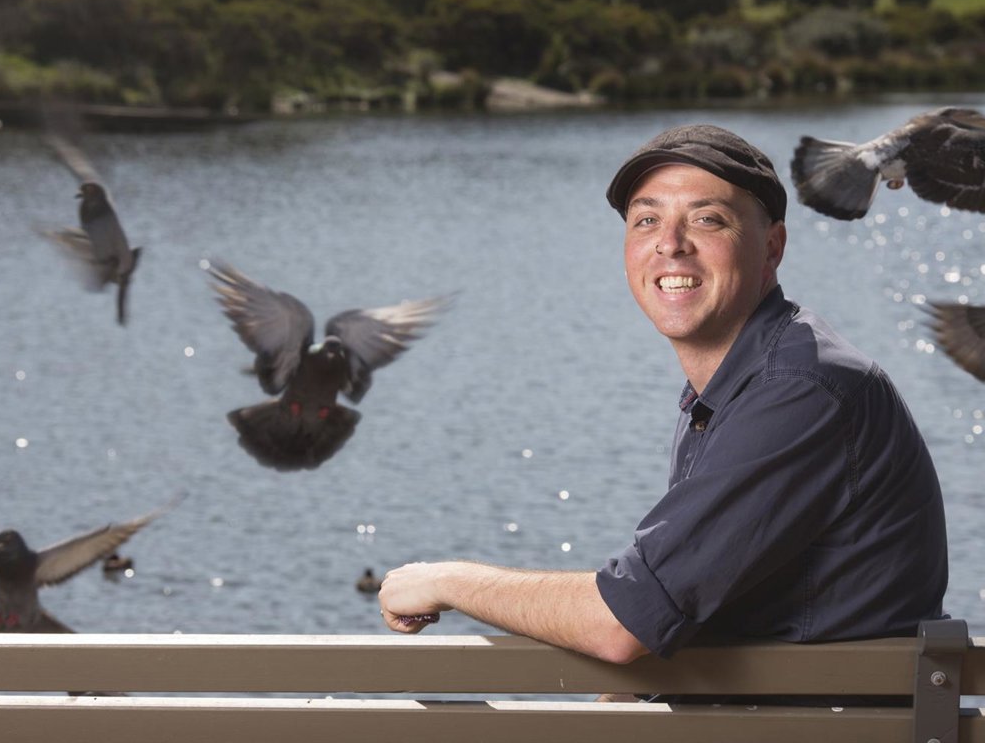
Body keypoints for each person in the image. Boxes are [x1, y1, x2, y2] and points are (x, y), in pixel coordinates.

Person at [379, 124, 948, 668]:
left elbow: (623, 623)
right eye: (646, 220)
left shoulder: (798, 390)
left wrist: (446, 581)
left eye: (707, 220)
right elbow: (691, 606)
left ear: (772, 247)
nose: (670, 245)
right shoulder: (738, 382)